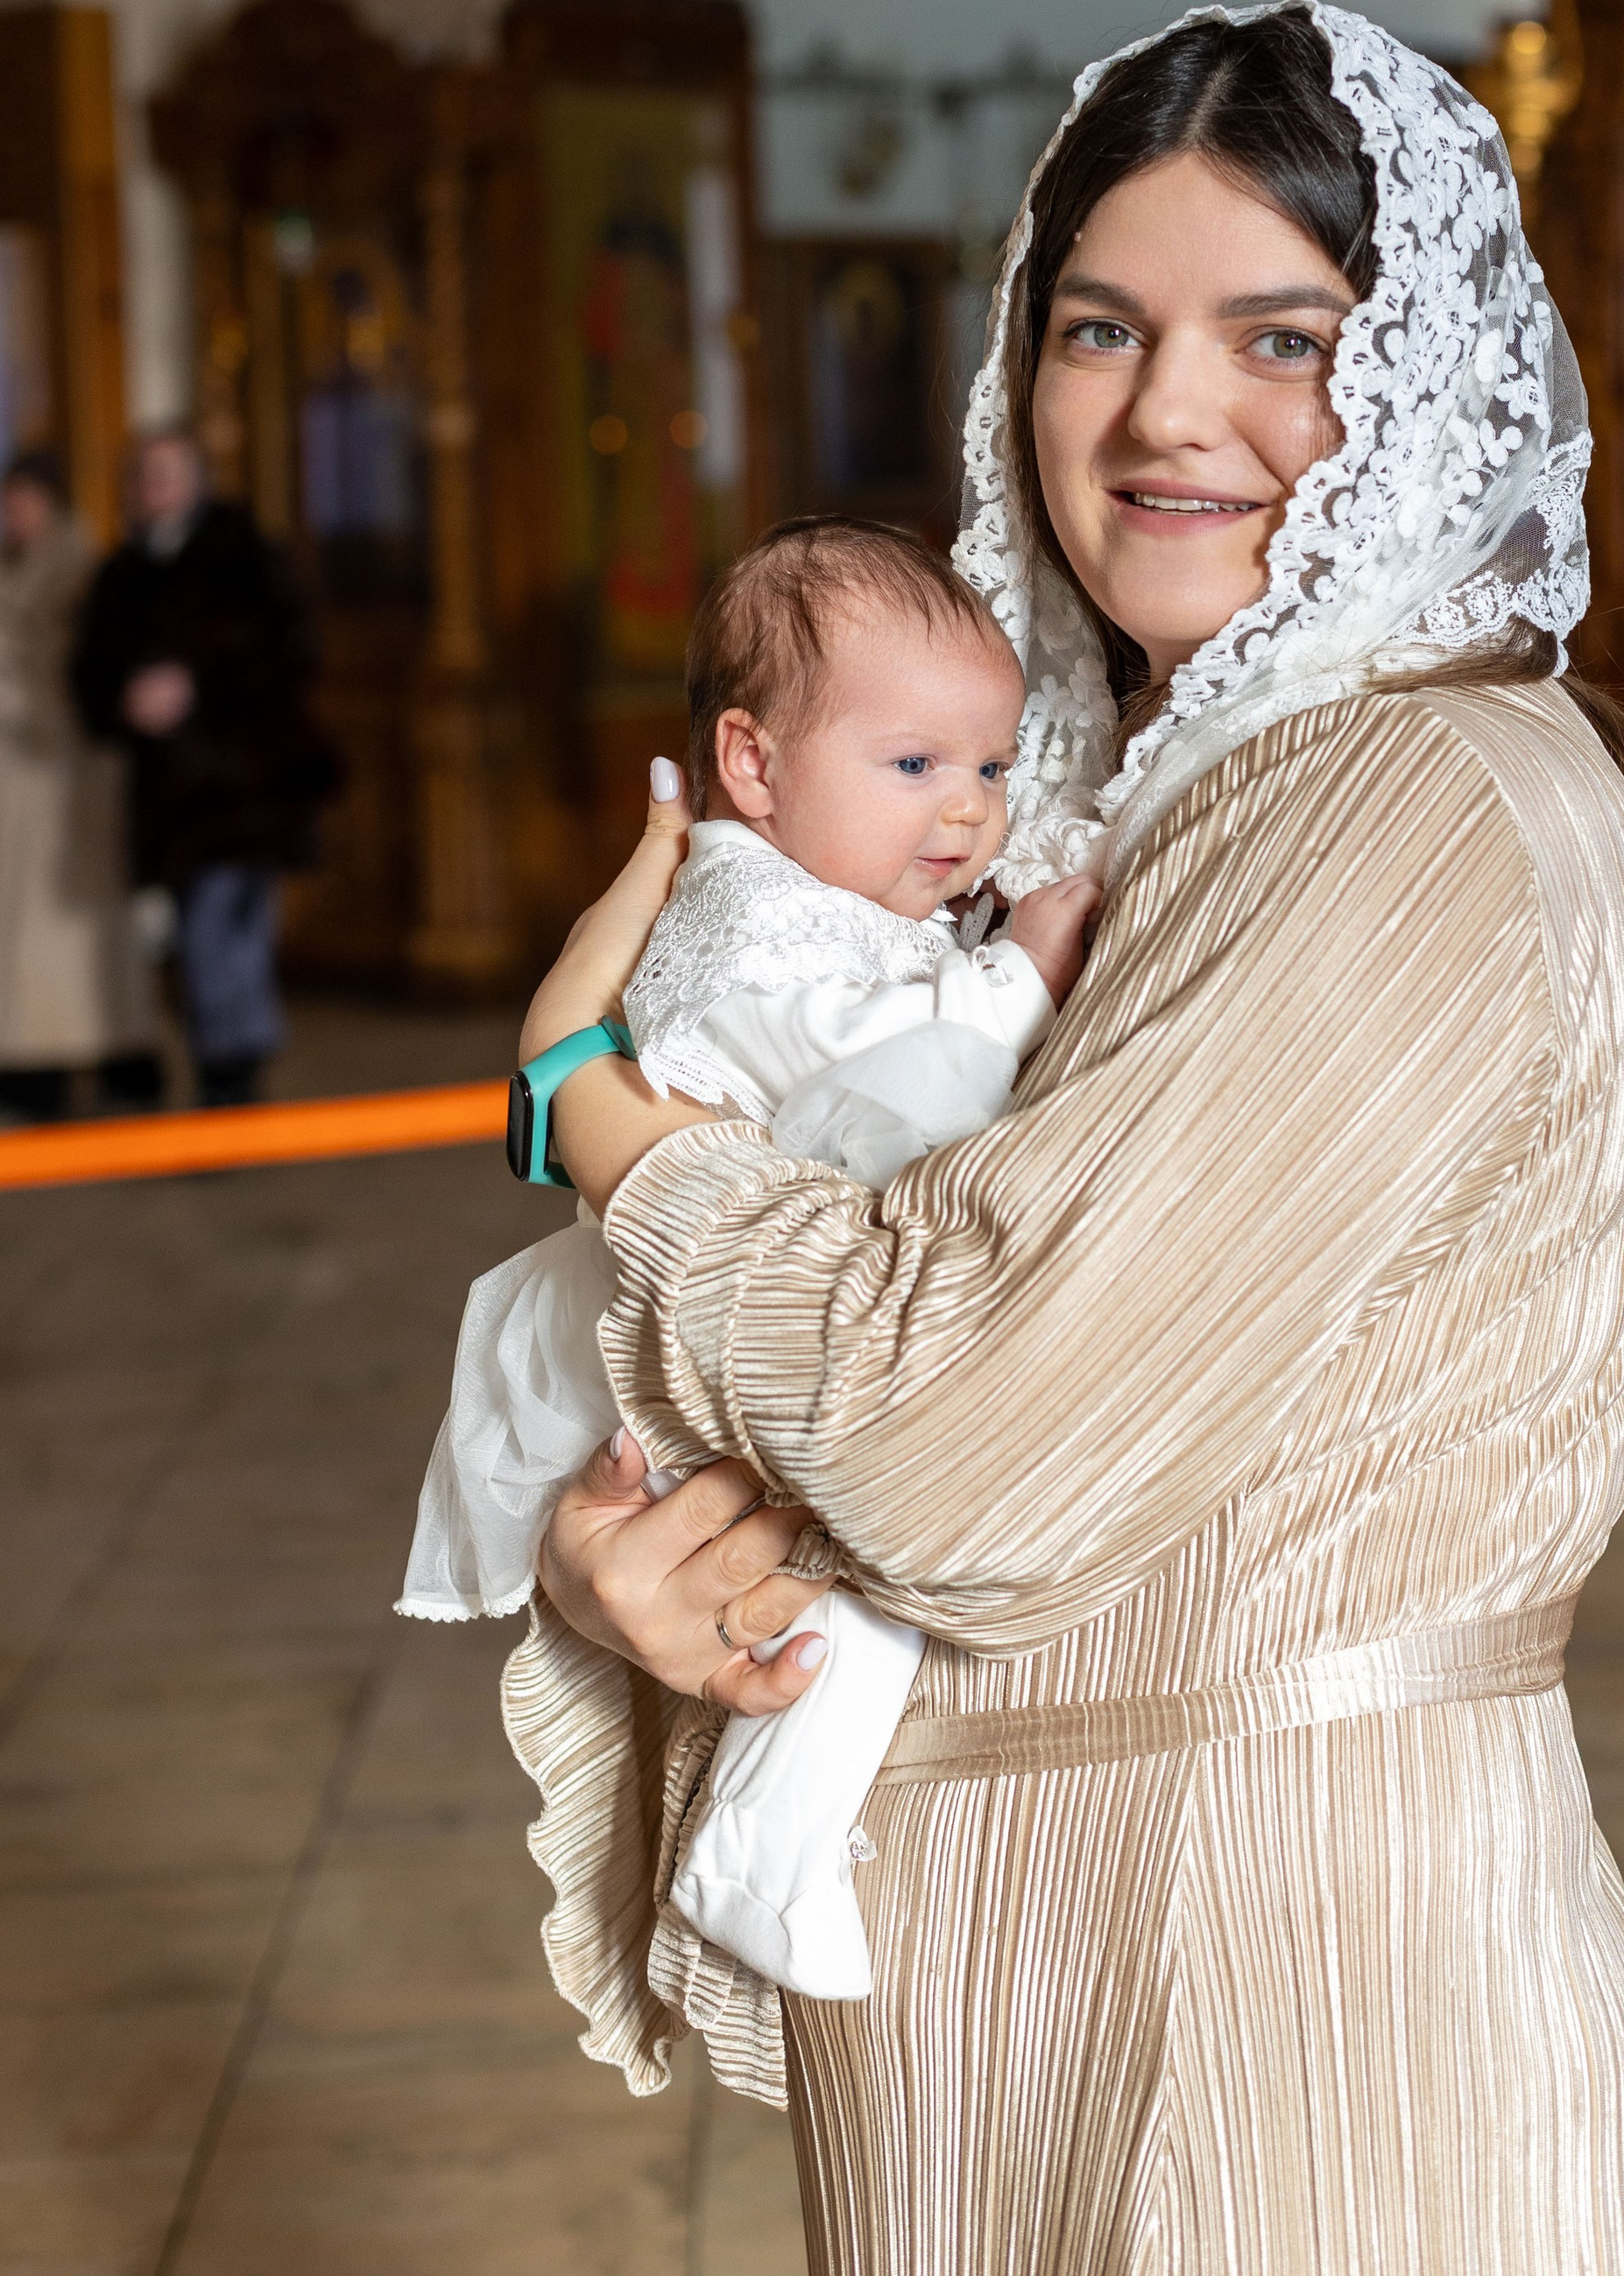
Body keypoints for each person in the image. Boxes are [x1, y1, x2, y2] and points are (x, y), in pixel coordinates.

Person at [514, 4, 1624, 2271]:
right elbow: (898, 1426)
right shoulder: (1114, 806)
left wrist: (607, 1128)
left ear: (1429, 382)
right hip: (1055, 1984)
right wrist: (657, 1573)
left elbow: (956, 1444)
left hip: (1286, 2039)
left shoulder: (1407, 797)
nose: (1168, 412)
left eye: (1283, 334)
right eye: (1098, 328)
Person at [399, 514, 1098, 2004]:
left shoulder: (835, 892)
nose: (969, 812)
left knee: (864, 1580)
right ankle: (757, 1855)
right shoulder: (749, 917)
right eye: (914, 767)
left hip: (747, 1303)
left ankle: (765, 1847)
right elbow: (895, 1085)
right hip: (681, 1332)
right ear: (754, 765)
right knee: (873, 1577)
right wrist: (1027, 967)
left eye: (990, 765)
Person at [71, 425, 336, 1108]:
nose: (152, 489)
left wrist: (196, 686)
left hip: (248, 789)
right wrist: (128, 699)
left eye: (165, 473)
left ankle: (233, 1078)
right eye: (142, 475)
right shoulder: (123, 573)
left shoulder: (246, 557)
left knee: (225, 939)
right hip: (174, 799)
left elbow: (294, 652)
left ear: (195, 481)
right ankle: (229, 1075)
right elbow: (92, 673)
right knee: (203, 942)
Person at [0, 449, 159, 1120]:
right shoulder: (20, 569)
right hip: (19, 778)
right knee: (24, 935)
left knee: (73, 930)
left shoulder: (80, 570)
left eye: (24, 499)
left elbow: (91, 667)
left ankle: (97, 1060)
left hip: (67, 777)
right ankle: (37, 1063)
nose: (14, 514)